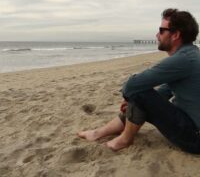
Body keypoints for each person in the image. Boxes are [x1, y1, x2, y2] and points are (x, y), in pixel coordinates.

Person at [78, 8, 200, 154]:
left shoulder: (183, 59)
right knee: (140, 97)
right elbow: (166, 90)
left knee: (139, 92)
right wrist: (133, 105)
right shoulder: (191, 55)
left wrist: (135, 99)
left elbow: (131, 86)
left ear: (176, 35)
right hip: (192, 128)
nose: (157, 35)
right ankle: (98, 133)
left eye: (161, 31)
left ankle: (125, 139)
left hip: (194, 138)